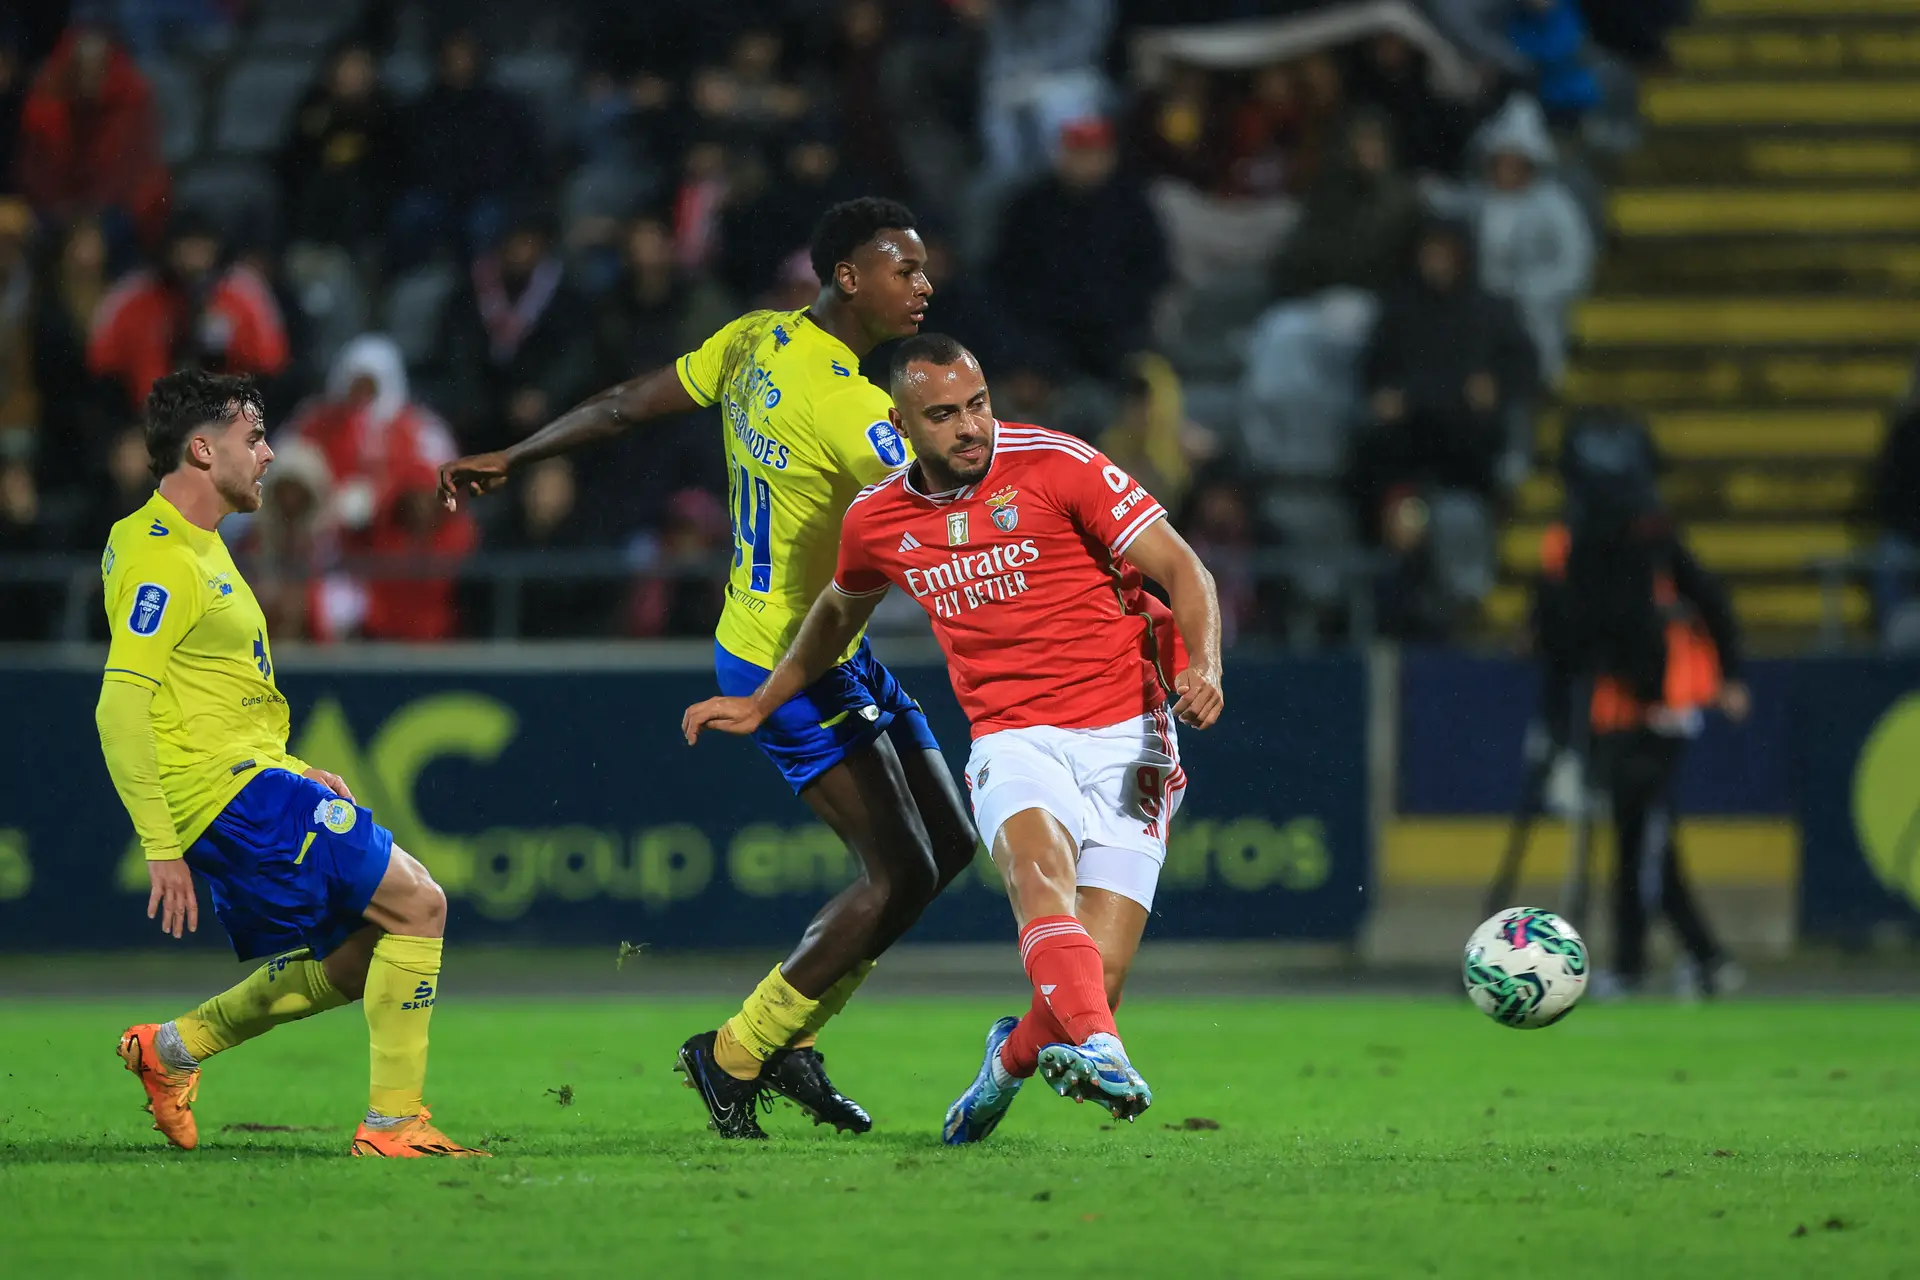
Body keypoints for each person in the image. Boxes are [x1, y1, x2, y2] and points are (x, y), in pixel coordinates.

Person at [437, 198, 977, 1138]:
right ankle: (734, 1054)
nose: (924, 284)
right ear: (848, 277)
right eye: (905, 268)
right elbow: (951, 506)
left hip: (817, 642)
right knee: (896, 875)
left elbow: (621, 405)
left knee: (949, 850)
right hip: (790, 659)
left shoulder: (752, 342)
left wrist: (517, 455)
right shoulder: (855, 408)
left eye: (924, 269)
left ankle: (787, 1040)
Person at [683, 333, 1223, 1141]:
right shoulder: (878, 519)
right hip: (1014, 738)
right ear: (901, 426)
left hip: (1132, 737)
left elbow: (1185, 569)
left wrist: (1205, 664)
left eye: (978, 405)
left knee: (1092, 983)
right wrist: (766, 699)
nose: (971, 427)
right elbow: (837, 609)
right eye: (944, 415)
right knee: (1039, 881)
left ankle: (1008, 1061)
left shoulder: (1057, 465)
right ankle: (1106, 1052)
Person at [97, 369, 484, 1157]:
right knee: (421, 904)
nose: (271, 454)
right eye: (254, 440)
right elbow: (119, 703)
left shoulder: (184, 545)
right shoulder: (165, 557)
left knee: (355, 958)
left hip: (249, 780)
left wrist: (295, 765)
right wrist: (160, 845)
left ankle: (170, 1051)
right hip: (224, 794)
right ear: (202, 451)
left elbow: (208, 693)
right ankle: (392, 1126)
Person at [1552, 413, 1747, 998]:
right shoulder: (1628, 539)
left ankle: (1644, 965)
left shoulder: (1631, 541)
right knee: (1645, 843)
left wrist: (1730, 674)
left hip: (1656, 709)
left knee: (1642, 846)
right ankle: (1702, 958)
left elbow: (1705, 600)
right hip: (1626, 709)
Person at [86, 211, 290, 413]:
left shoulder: (245, 293)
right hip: (148, 426)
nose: (194, 258)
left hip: (227, 426)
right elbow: (103, 374)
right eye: (186, 247)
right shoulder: (132, 296)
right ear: (168, 249)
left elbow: (271, 369)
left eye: (202, 247)